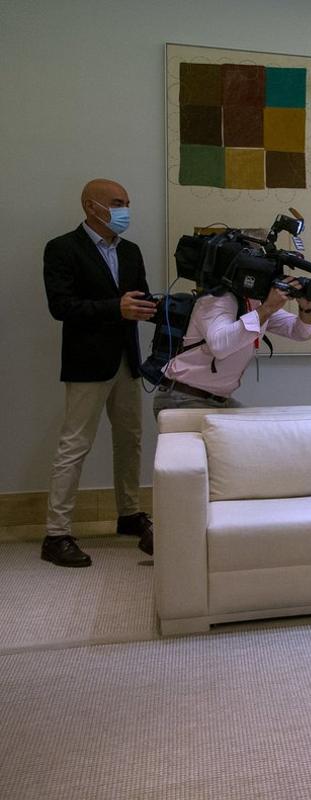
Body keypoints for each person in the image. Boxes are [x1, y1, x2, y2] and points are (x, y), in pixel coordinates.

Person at [43, 179, 156, 567]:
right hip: (87, 361)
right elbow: (61, 306)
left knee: (131, 439)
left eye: (127, 202)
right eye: (117, 202)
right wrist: (115, 309)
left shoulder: (132, 251)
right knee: (74, 445)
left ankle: (129, 513)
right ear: (92, 207)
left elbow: (137, 300)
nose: (125, 209)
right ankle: (56, 533)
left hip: (127, 360)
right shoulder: (62, 249)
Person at [152, 277, 311, 415]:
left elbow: (300, 332)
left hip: (216, 401)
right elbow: (220, 346)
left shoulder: (253, 304)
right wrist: (268, 307)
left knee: (262, 436)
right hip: (184, 398)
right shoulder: (216, 299)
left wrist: (307, 308)